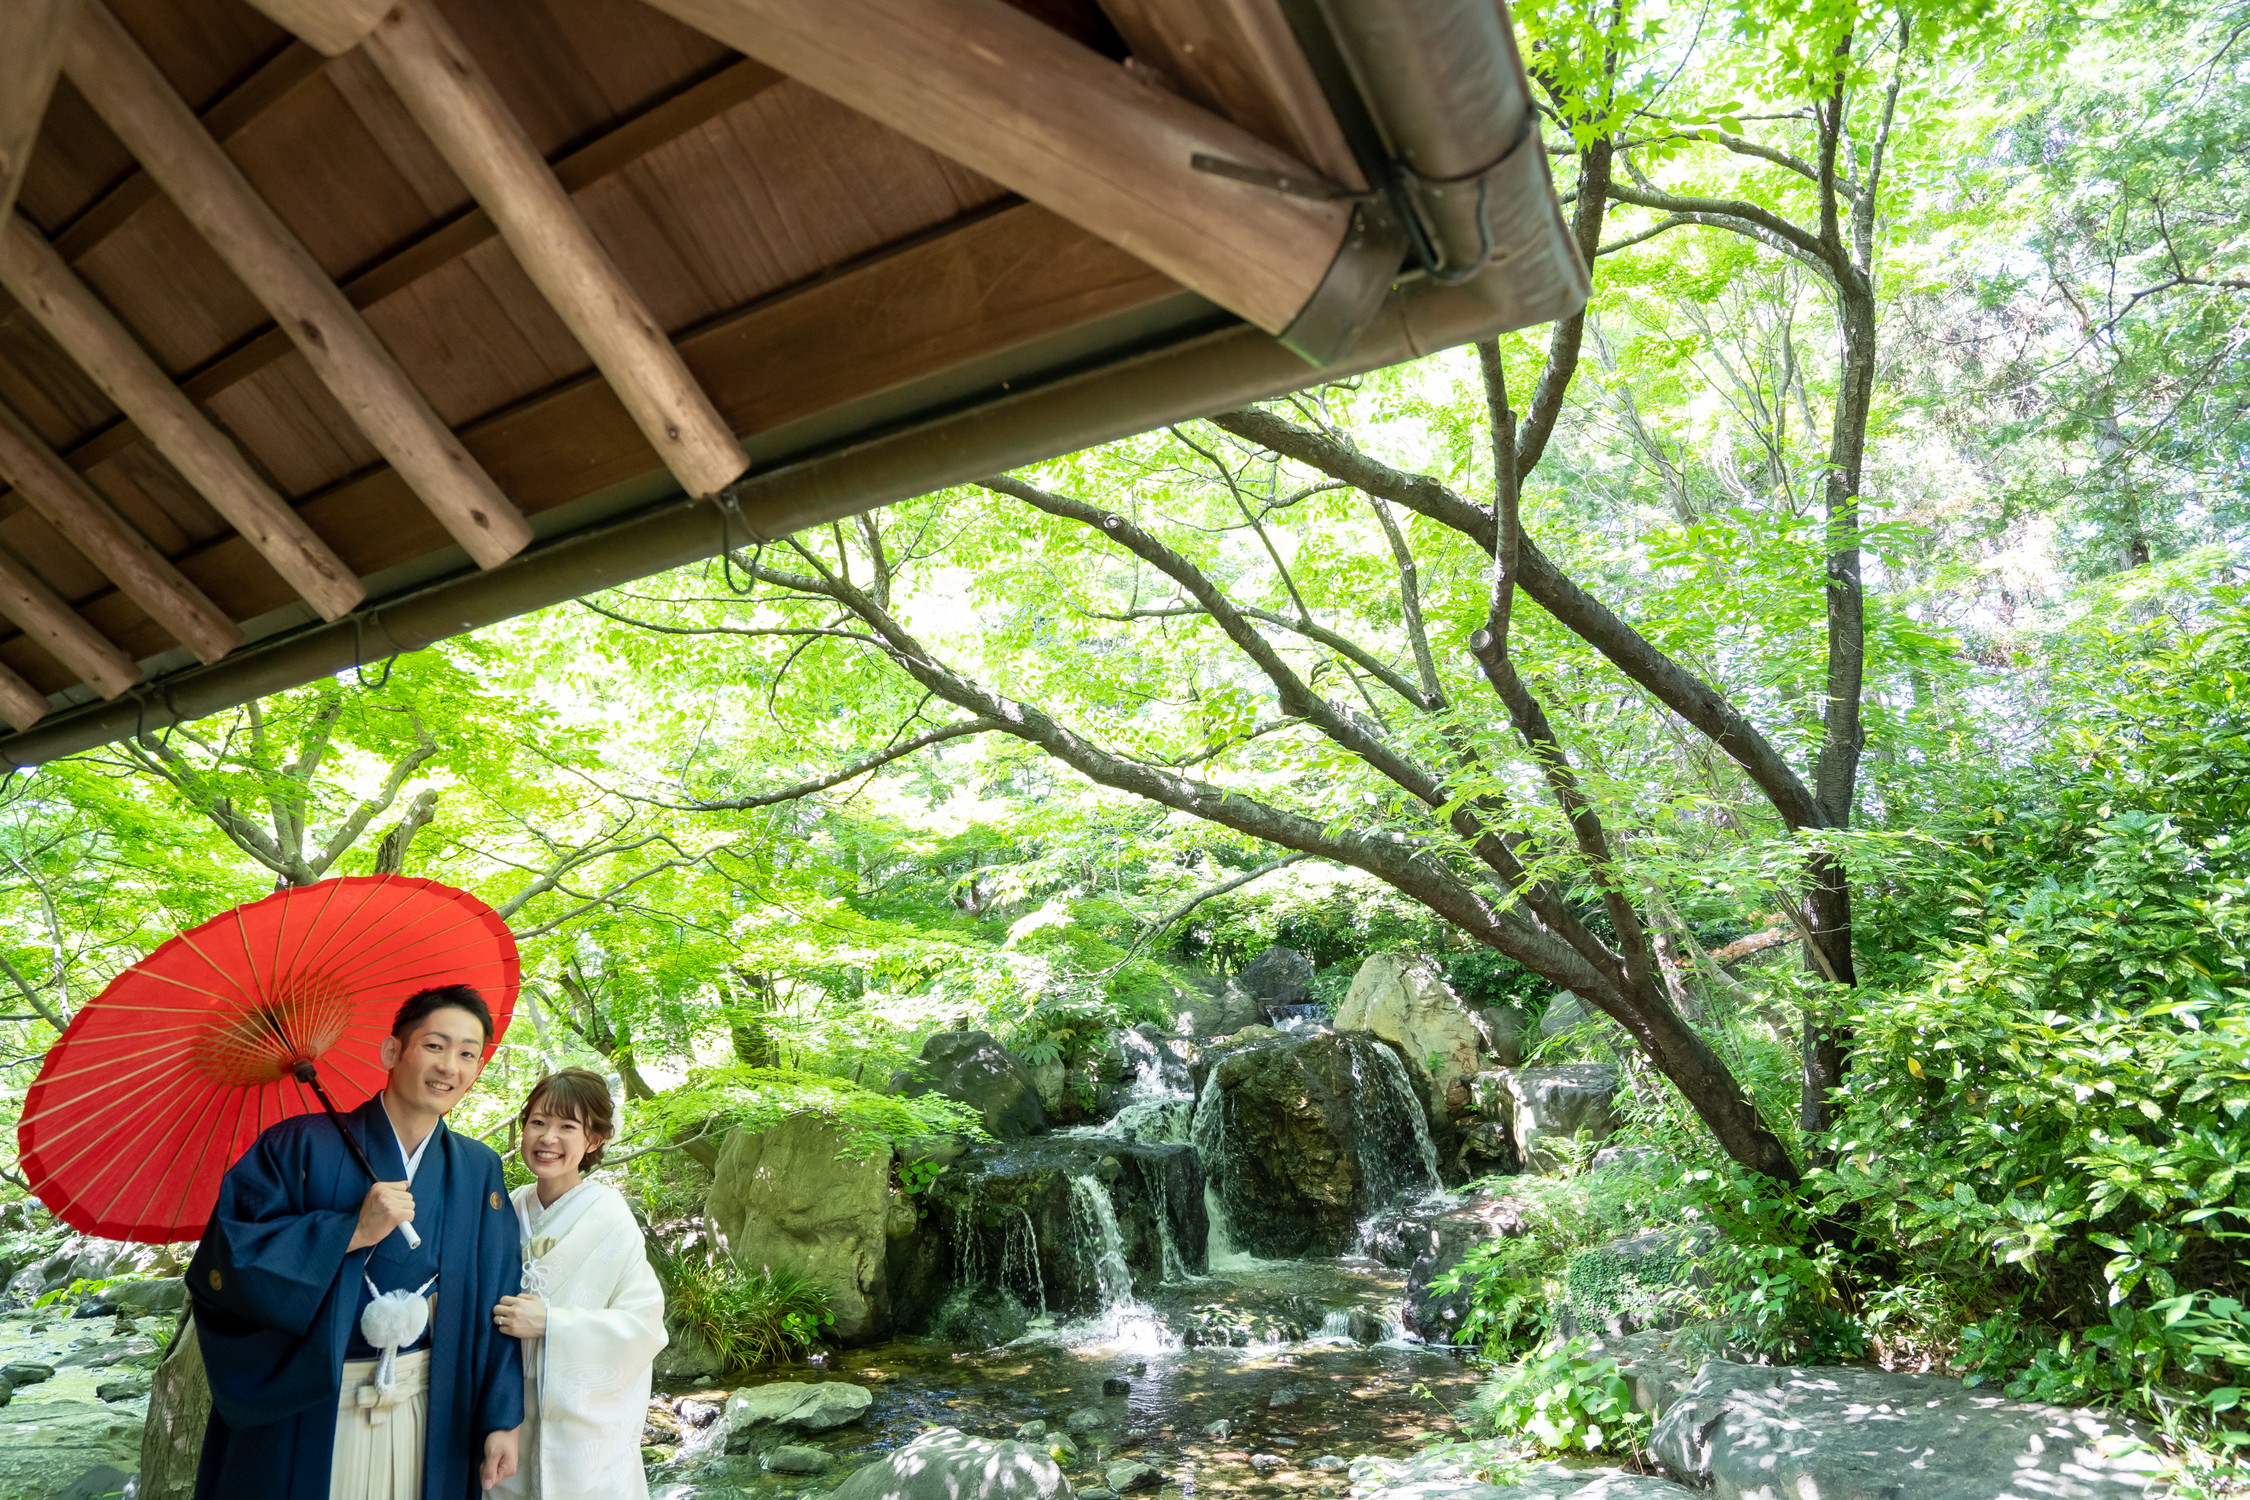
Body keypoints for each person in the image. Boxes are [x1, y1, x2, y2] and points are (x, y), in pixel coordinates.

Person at [188, 985, 525, 1499]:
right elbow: (228, 1261)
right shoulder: (296, 1144)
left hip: (432, 1403)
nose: (450, 1067)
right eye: (434, 1045)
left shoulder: (479, 1169)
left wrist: (502, 1416)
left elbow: (501, 1294)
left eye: (467, 1054)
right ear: (393, 1052)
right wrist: (350, 1230)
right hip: (316, 1403)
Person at [488, 1067, 667, 1500]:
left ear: (593, 1141)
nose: (548, 1138)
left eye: (568, 1126)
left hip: (583, 1436)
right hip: (509, 1416)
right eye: (538, 1122)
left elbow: (645, 1328)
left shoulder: (610, 1218)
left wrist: (554, 1322)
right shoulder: (506, 1208)